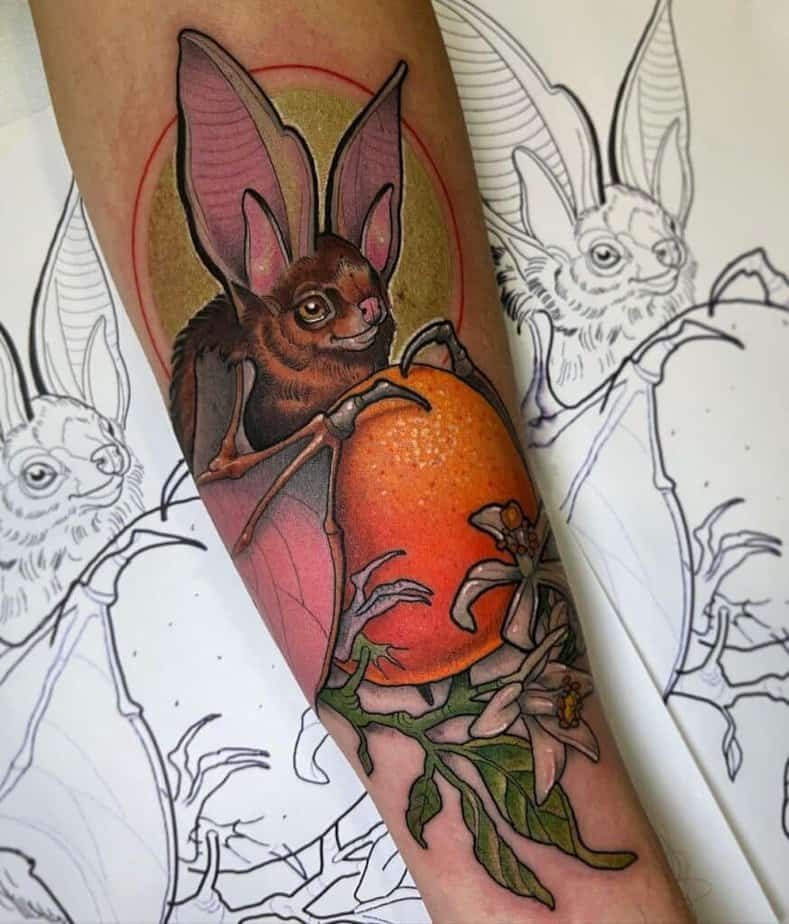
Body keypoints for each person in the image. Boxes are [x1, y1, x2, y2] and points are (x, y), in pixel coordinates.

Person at [30, 2, 690, 919]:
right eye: (321, 311)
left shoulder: (376, 375)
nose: (368, 316)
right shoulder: (241, 363)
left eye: (368, 296)